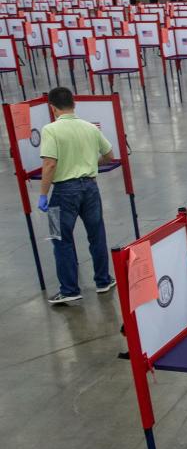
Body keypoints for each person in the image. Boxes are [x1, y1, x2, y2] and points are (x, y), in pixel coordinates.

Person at [37, 87, 116, 305]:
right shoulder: (90, 127)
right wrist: (91, 164)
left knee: (58, 239)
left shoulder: (50, 130)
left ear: (52, 108)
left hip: (61, 191)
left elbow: (49, 163)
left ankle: (69, 289)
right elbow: (109, 155)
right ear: (74, 104)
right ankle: (103, 280)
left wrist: (43, 194)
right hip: (91, 187)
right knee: (96, 234)